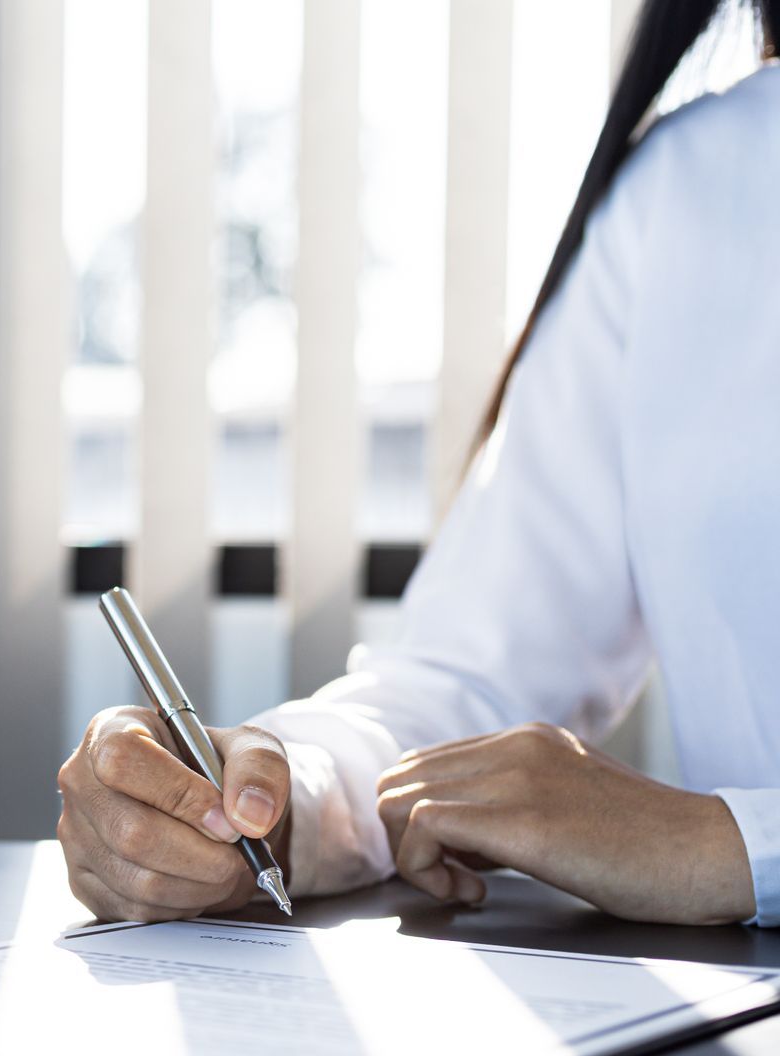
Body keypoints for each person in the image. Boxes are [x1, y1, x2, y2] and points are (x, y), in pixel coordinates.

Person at [58, 0, 780, 929]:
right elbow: (468, 685)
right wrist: (269, 805)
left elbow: (711, 846)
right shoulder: (687, 187)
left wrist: (731, 847)